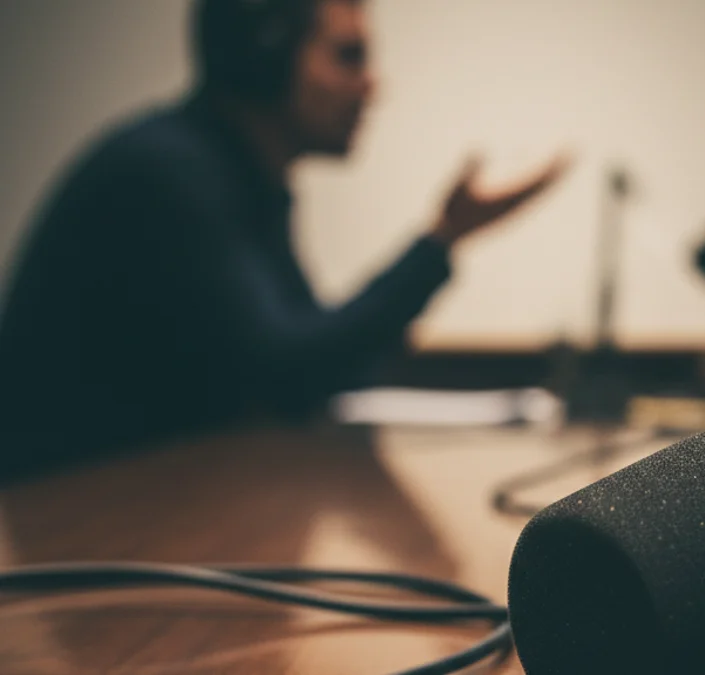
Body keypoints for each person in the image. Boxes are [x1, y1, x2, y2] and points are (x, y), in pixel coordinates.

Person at [0, 0, 569, 481]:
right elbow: (289, 371)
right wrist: (444, 237)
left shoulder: (241, 176)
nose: (372, 83)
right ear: (263, 56)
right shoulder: (167, 173)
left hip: (144, 499)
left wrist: (445, 238)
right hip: (64, 522)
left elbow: (322, 368)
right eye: (349, 56)